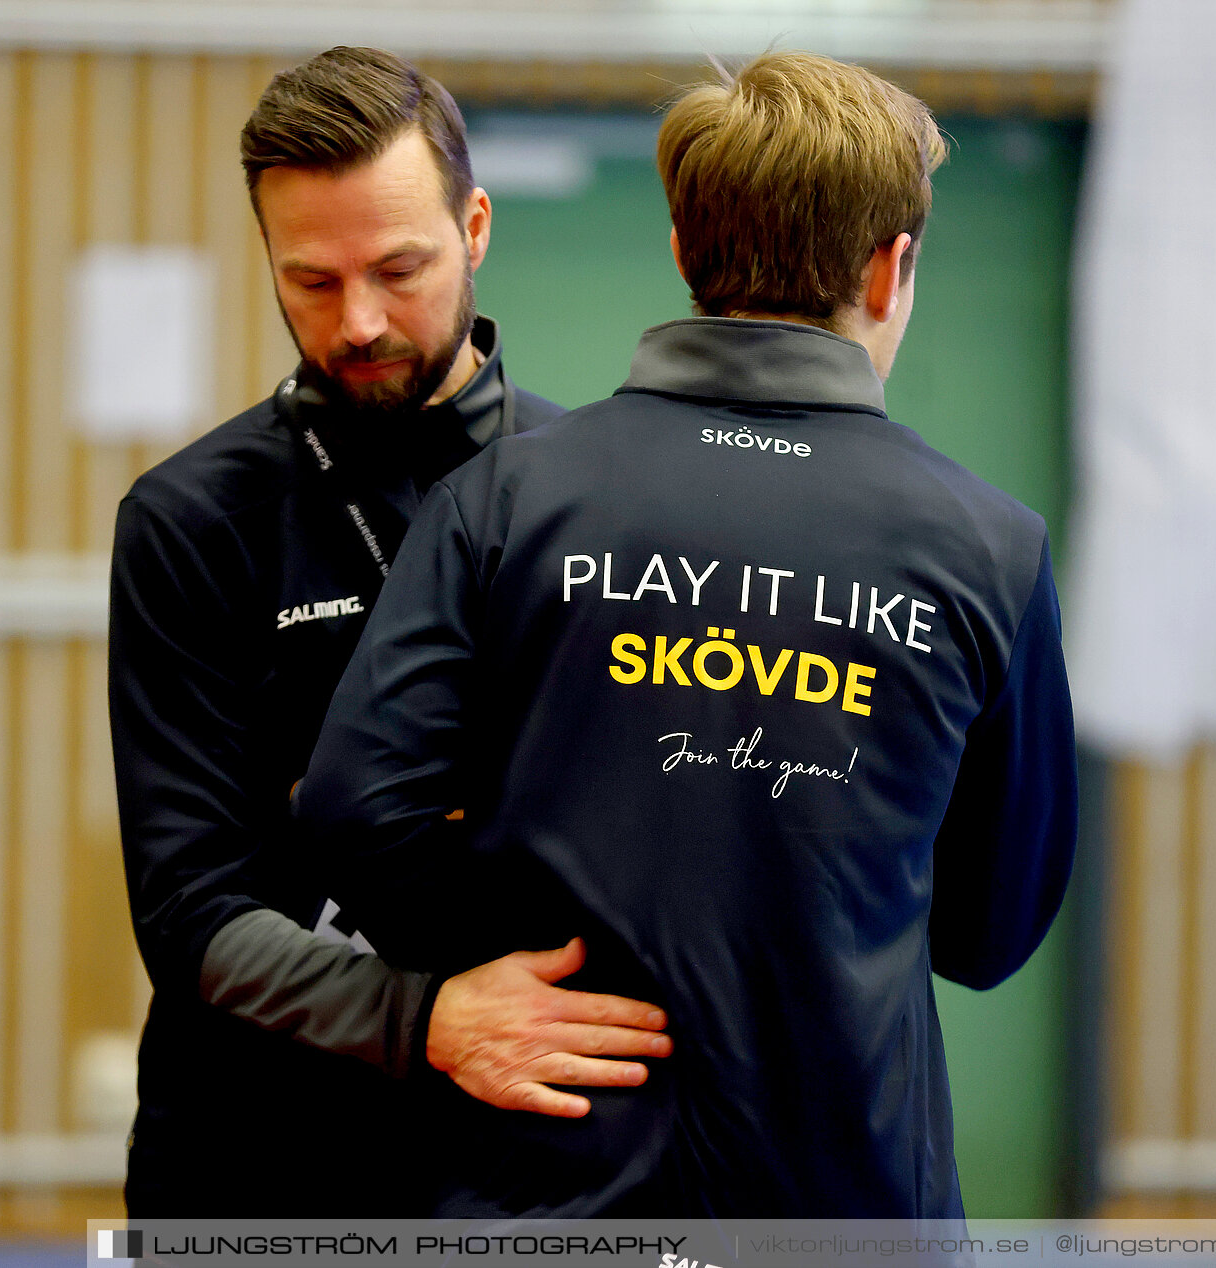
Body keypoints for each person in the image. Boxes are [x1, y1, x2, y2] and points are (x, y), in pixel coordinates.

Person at [296, 50, 1077, 1217]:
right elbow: (987, 930)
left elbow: (354, 812)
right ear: (889, 265)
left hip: (547, 1186)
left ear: (682, 252)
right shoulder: (990, 548)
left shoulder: (506, 499)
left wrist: (516, 932)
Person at [108, 46, 671, 1216]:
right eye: (312, 280)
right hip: (247, 1157)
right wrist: (427, 1017)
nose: (359, 321)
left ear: (474, 227)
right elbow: (188, 910)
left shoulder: (604, 498)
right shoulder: (190, 519)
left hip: (524, 1156)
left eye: (397, 268)